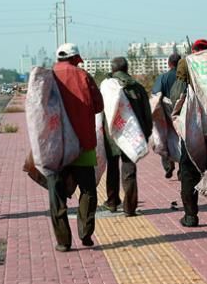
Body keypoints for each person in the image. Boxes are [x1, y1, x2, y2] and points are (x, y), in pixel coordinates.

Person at [49, 43, 104, 252]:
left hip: (55, 146)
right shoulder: (83, 76)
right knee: (88, 190)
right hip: (82, 144)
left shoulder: (47, 77)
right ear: (75, 58)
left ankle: (63, 241)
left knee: (57, 194)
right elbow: (98, 106)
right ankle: (86, 233)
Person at [177, 39, 207, 230]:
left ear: (194, 50)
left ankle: (191, 217)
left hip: (193, 126)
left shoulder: (187, 63)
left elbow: (177, 93)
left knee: (188, 172)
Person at [102, 57, 152, 216]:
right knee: (129, 169)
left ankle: (112, 202)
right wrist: (146, 132)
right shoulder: (137, 87)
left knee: (112, 169)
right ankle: (129, 208)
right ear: (127, 68)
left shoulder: (107, 87)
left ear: (113, 68)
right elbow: (147, 113)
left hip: (112, 135)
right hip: (132, 135)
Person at [152, 53, 181, 178]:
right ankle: (182, 170)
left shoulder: (163, 78)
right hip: (182, 114)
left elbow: (156, 93)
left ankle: (168, 165)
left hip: (167, 114)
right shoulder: (185, 77)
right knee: (183, 140)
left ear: (169, 64)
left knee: (165, 138)